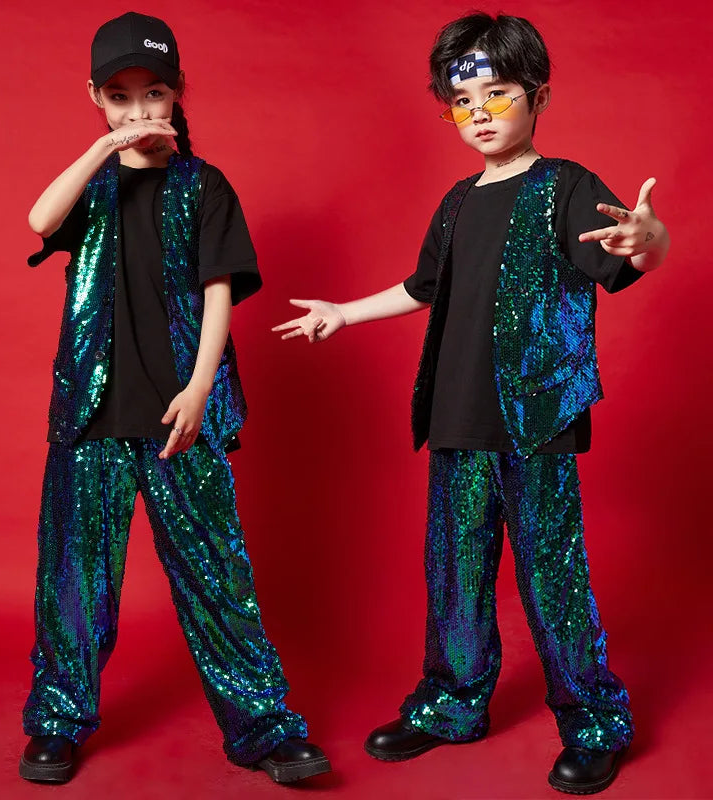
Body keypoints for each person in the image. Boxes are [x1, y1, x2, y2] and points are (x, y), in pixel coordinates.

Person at [272, 12, 668, 795]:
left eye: (498, 94)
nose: (480, 112)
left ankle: (593, 722)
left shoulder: (566, 187)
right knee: (455, 569)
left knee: (551, 574)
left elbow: (630, 255)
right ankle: (451, 705)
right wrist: (344, 312)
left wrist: (649, 239)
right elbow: (423, 287)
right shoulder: (456, 201)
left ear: (539, 96)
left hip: (538, 420)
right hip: (457, 418)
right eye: (462, 101)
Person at [19, 12, 330, 786]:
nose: (139, 111)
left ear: (179, 91)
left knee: (217, 577)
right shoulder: (92, 187)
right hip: (90, 415)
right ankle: (57, 721)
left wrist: (199, 388)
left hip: (180, 417)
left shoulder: (204, 186)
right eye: (120, 97)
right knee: (75, 578)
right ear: (96, 98)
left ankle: (263, 727)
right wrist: (104, 149)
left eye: (153, 93)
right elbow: (38, 219)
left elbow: (219, 292)